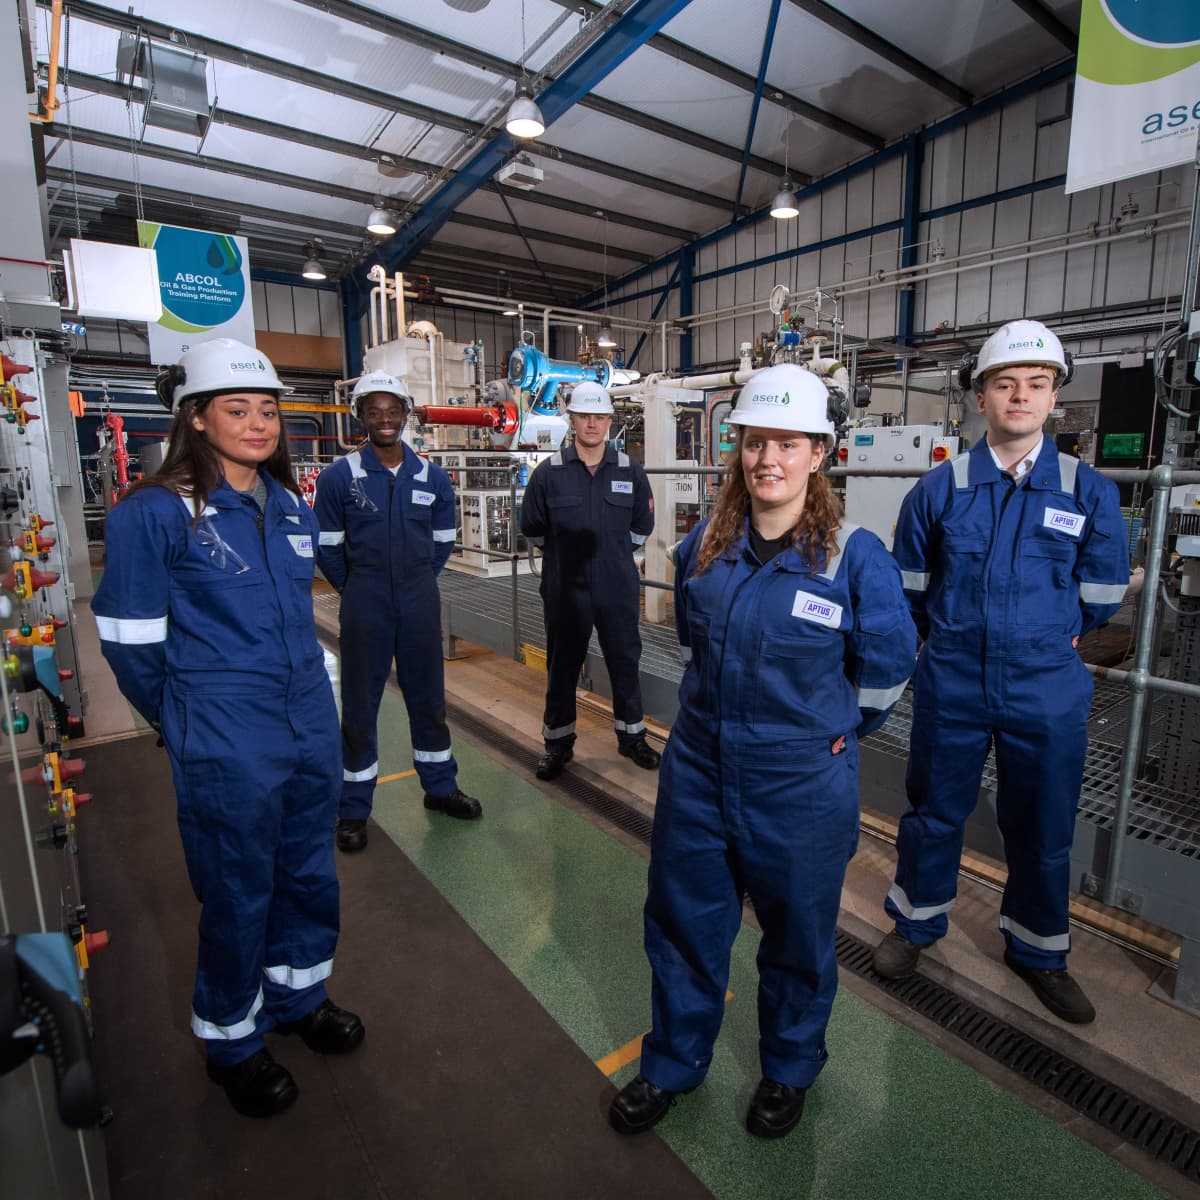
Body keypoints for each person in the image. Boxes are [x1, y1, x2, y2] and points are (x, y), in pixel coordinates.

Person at [609, 364, 916, 1139]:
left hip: (801, 785)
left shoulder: (853, 557)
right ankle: (673, 1063)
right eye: (753, 442)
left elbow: (887, 671)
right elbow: (692, 643)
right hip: (702, 769)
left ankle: (787, 1068)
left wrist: (829, 739)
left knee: (799, 937)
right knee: (684, 923)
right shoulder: (704, 549)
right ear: (736, 450)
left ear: (821, 453)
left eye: (787, 442)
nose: (767, 458)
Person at [92, 338, 364, 1119]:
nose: (258, 423)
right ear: (198, 419)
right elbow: (131, 645)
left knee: (307, 873)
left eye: (268, 410)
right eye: (238, 409)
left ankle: (298, 999)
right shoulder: (156, 513)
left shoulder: (285, 506)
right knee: (238, 889)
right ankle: (233, 1041)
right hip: (225, 732)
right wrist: (186, 718)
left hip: (306, 718)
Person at [871, 319, 1130, 1025]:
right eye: (1005, 384)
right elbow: (911, 589)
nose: (1021, 396)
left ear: (1054, 400)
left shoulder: (1086, 491)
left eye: (1036, 385)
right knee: (932, 812)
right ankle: (917, 924)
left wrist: (1048, 637)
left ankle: (1038, 950)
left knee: (1044, 824)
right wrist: (952, 643)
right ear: (980, 398)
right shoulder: (941, 488)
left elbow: (1103, 596)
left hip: (1045, 685)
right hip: (953, 677)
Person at [314, 370, 481, 854]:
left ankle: (441, 788)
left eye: (393, 411)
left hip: (419, 597)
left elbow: (444, 541)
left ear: (406, 416)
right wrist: (357, 588)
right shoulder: (339, 477)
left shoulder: (431, 476)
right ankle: (353, 808)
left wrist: (415, 581)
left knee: (429, 699)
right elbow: (327, 547)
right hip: (364, 598)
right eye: (374, 411)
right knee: (361, 706)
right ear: (360, 417)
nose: (384, 419)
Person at [519, 381, 660, 780]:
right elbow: (532, 526)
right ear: (573, 419)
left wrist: (609, 554)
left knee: (624, 661)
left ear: (610, 421)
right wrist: (567, 555)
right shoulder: (550, 473)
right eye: (585, 416)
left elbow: (642, 525)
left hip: (616, 586)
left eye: (599, 416)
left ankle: (632, 738)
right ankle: (558, 744)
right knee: (563, 665)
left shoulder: (631, 471)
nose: (592, 424)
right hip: (566, 586)